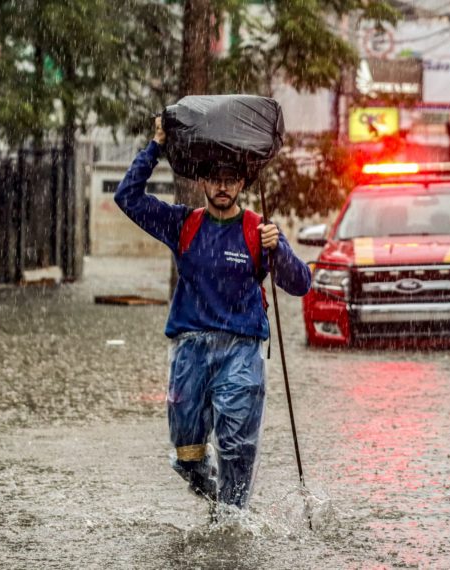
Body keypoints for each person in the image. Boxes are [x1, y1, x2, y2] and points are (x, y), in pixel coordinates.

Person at [114, 117, 311, 510]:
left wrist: (280, 251)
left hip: (241, 351)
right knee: (187, 456)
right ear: (203, 182)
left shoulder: (259, 230)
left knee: (236, 446)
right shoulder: (182, 223)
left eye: (232, 179)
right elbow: (128, 197)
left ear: (242, 184)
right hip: (189, 352)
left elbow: (301, 284)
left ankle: (231, 520)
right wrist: (156, 146)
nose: (223, 187)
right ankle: (218, 501)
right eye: (216, 179)